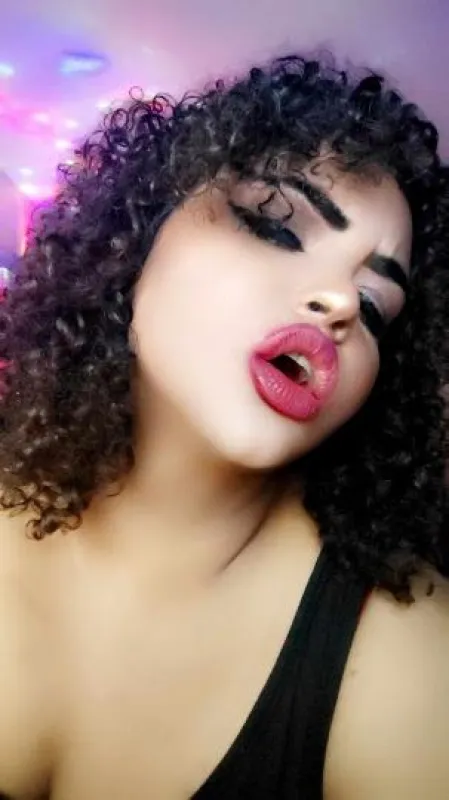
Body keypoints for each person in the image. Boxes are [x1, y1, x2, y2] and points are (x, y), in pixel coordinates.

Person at [0, 54, 447, 800]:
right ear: (133, 240)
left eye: (375, 307)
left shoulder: (402, 649)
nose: (340, 302)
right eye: (275, 227)